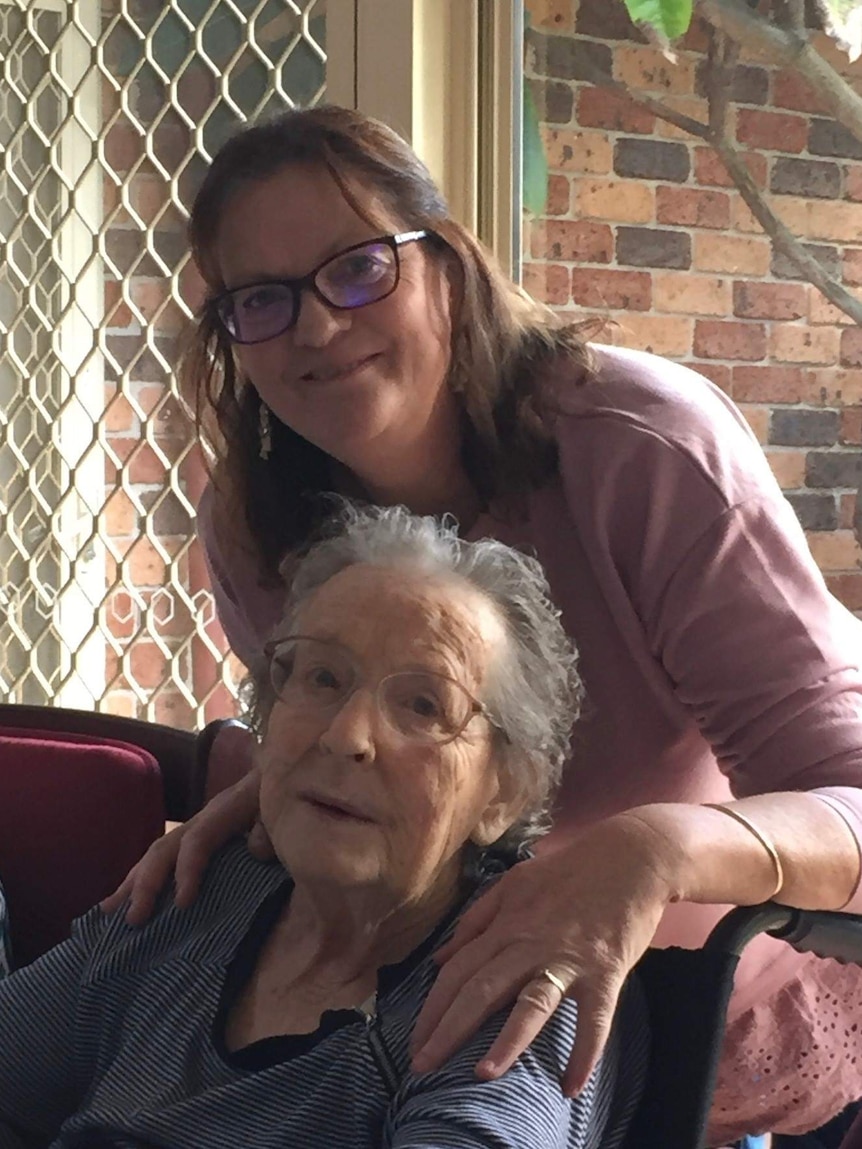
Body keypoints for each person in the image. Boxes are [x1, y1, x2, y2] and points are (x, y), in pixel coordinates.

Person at [106, 106, 862, 1144]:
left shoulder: (644, 450)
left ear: (449, 268)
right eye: (262, 301)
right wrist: (274, 790)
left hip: (699, 1038)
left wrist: (653, 848)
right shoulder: (255, 522)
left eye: (359, 268)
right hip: (423, 1036)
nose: (318, 328)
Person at [0, 507, 646, 1149]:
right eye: (322, 677)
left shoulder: (509, 974)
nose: (346, 736)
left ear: (505, 790)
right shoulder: (203, 888)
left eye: (424, 705)